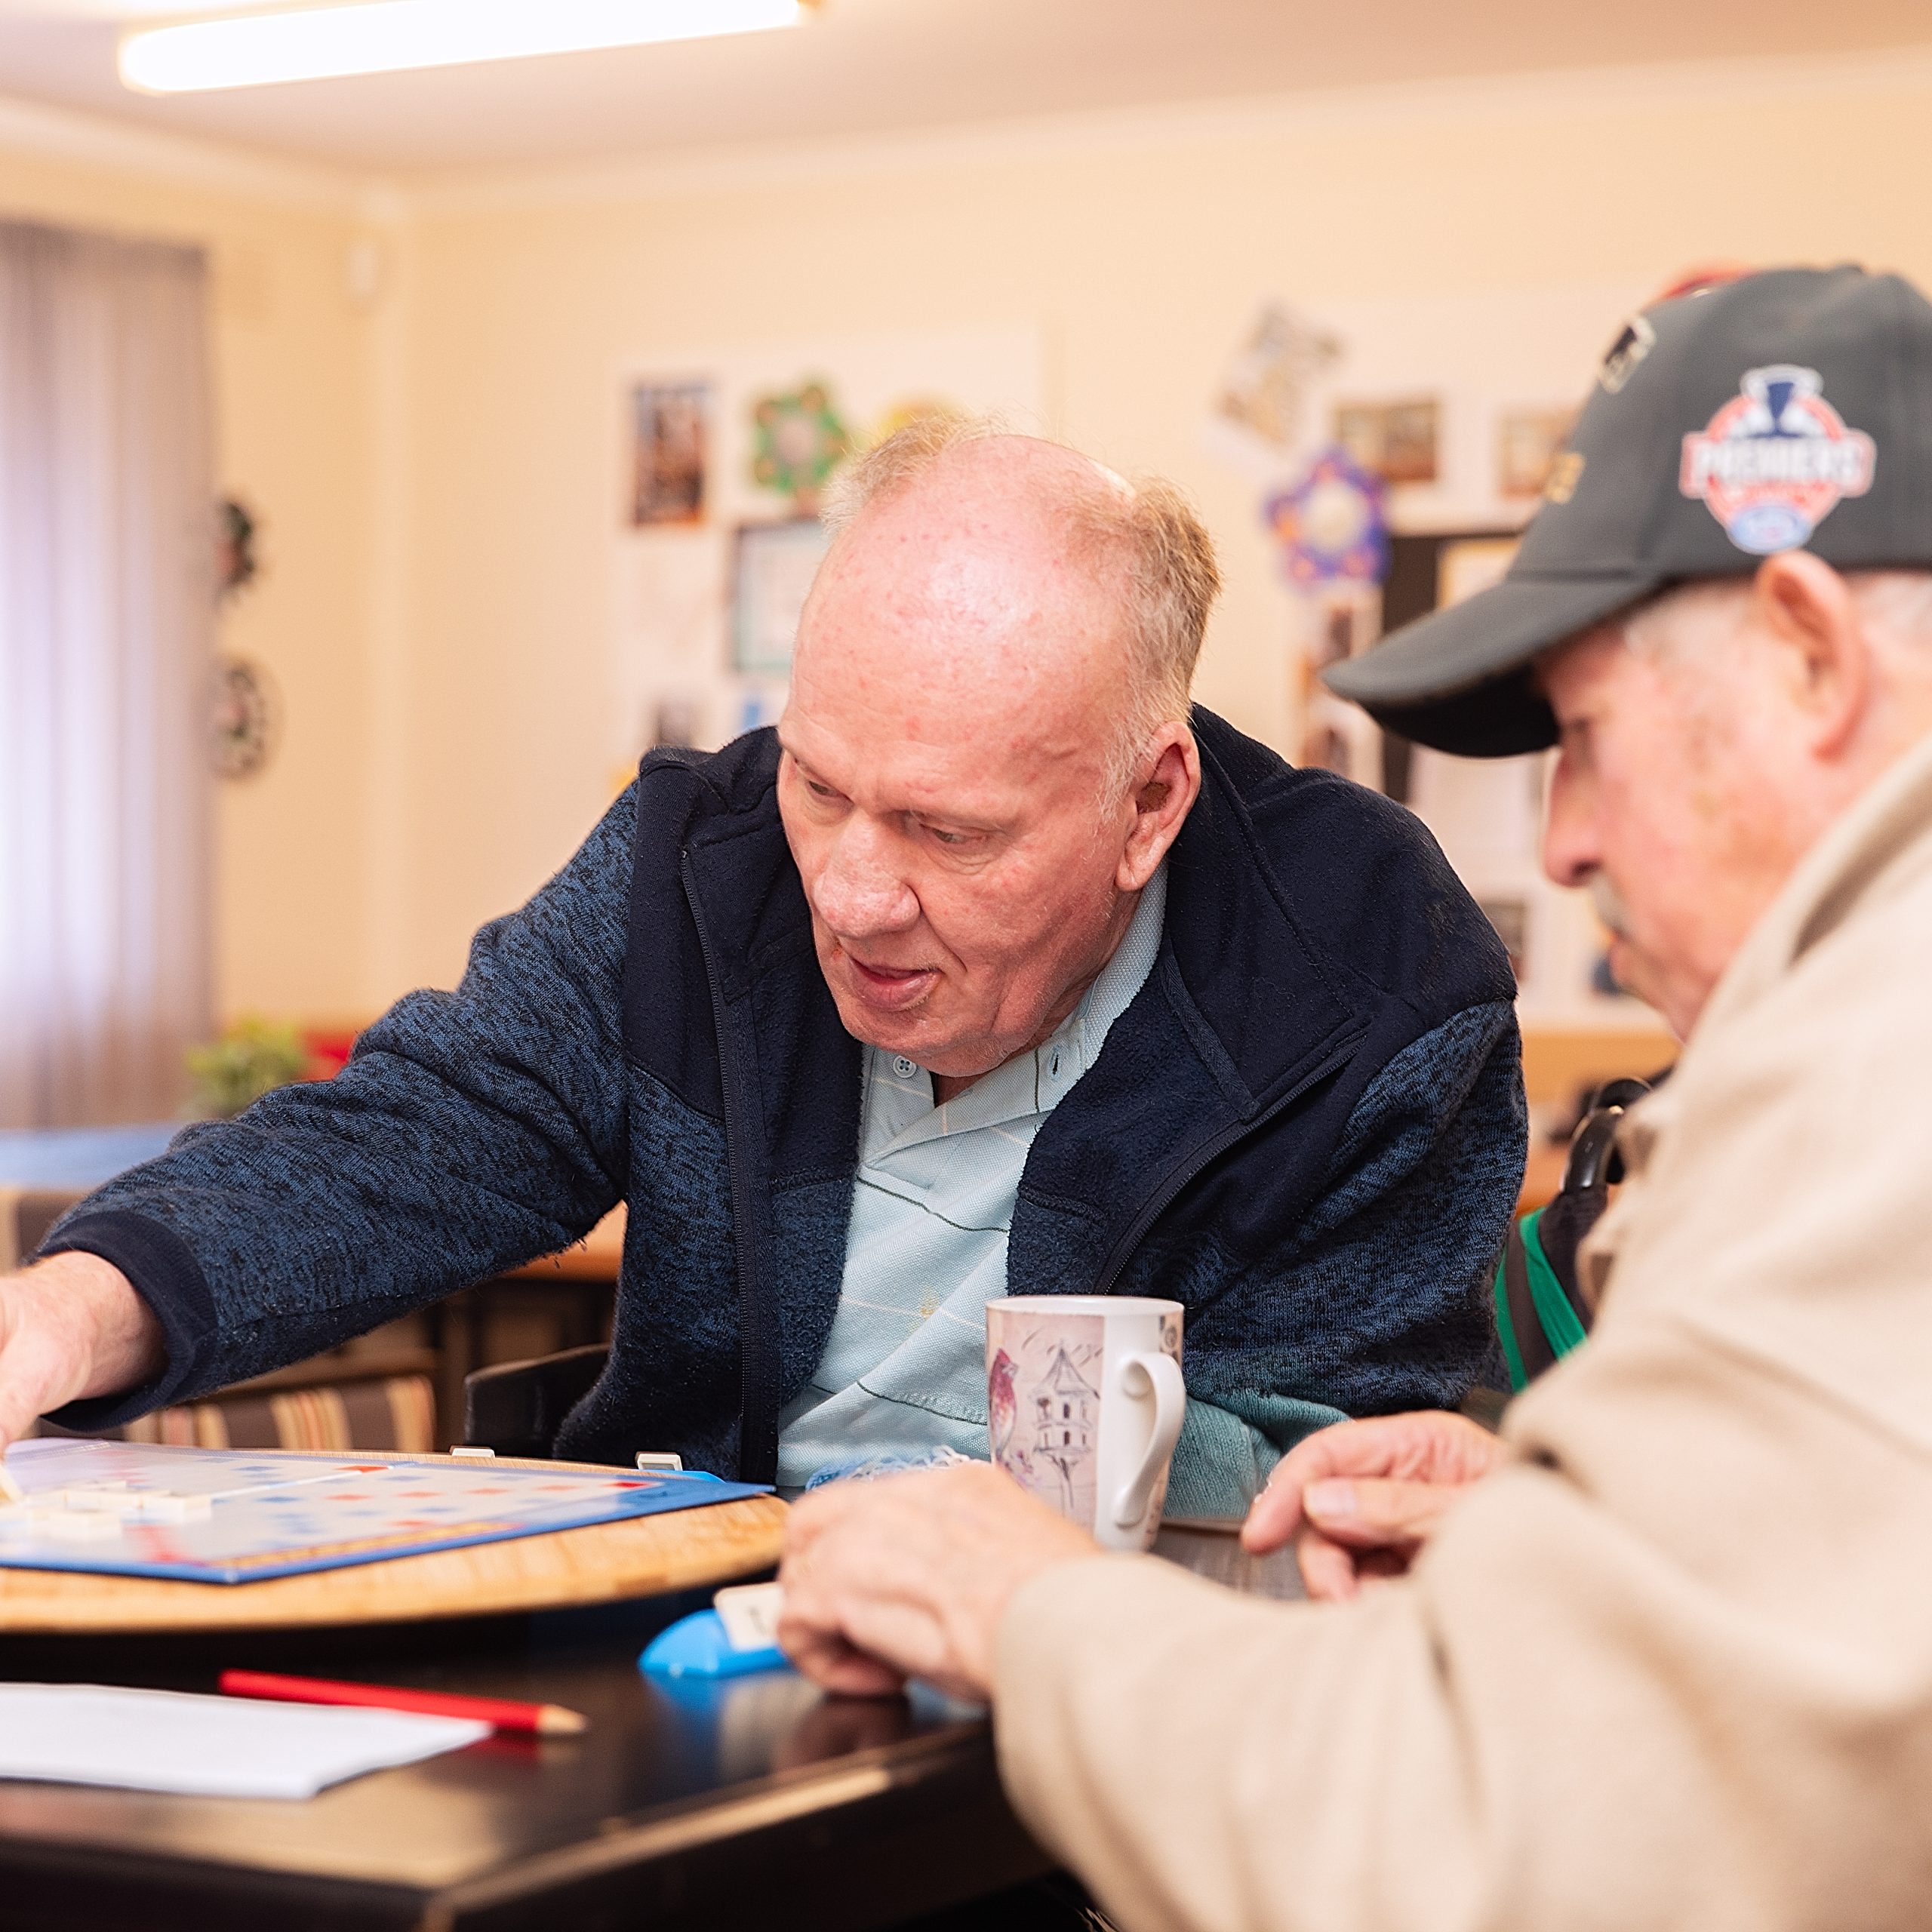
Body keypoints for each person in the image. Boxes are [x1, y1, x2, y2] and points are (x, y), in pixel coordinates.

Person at [777, 266, 1932, 1930]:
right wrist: (1565, 1545)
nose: (1562, 842)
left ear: (1811, 659)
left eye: (1584, 738)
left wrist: (1024, 1605)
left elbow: (1482, 1851)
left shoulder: (1868, 1090)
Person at [0, 420, 1524, 1514]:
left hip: (1114, 1683)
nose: (852, 892)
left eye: (944, 827)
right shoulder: (703, 855)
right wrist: (73, 1305)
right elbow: (418, 1132)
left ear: (1148, 802)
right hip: (688, 1620)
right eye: (818, 784)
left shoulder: (1369, 971)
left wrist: (946, 1538)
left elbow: (1330, 1465)